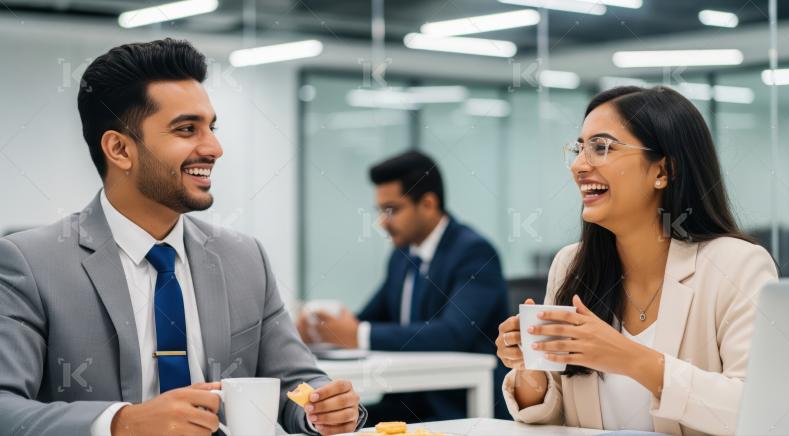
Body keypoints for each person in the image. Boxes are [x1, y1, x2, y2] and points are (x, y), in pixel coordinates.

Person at [0, 39, 366, 436]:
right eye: (187, 129)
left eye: (212, 128)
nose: (214, 148)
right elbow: (5, 407)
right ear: (120, 149)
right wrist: (121, 423)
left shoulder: (244, 257)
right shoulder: (30, 264)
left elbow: (295, 384)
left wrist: (323, 408)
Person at [496, 86, 777, 435]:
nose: (579, 166)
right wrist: (531, 372)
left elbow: (761, 412)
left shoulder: (738, 265)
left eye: (601, 147)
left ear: (663, 170)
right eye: (579, 148)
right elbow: (558, 417)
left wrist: (629, 358)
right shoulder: (570, 264)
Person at [297, 151, 510, 422]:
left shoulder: (474, 252)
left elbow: (454, 332)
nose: (382, 222)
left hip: (459, 405)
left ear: (428, 204)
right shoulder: (402, 255)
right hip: (407, 401)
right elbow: (369, 317)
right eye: (380, 211)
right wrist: (324, 331)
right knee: (328, 425)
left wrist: (358, 335)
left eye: (392, 210)